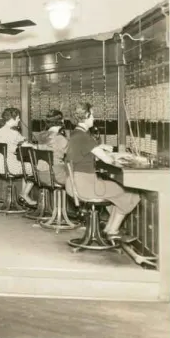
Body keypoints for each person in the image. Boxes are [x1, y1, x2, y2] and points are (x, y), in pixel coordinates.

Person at [65, 102, 140, 241]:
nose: (94, 118)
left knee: (117, 192)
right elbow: (107, 160)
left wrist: (118, 155)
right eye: (92, 115)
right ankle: (112, 230)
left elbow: (96, 153)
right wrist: (126, 158)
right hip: (87, 186)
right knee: (131, 193)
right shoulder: (84, 137)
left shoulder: (76, 134)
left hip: (74, 183)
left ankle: (109, 229)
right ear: (86, 116)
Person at [0, 107, 36, 206]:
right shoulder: (13, 132)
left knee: (26, 166)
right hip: (10, 166)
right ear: (13, 119)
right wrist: (31, 144)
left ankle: (23, 196)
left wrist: (22, 141)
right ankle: (24, 194)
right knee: (34, 169)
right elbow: (21, 144)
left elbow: (18, 140)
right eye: (18, 118)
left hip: (0, 165)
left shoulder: (0, 131)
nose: (19, 120)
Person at [34, 110, 68, 185]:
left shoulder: (40, 136)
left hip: (40, 174)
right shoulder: (60, 138)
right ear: (61, 121)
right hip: (56, 175)